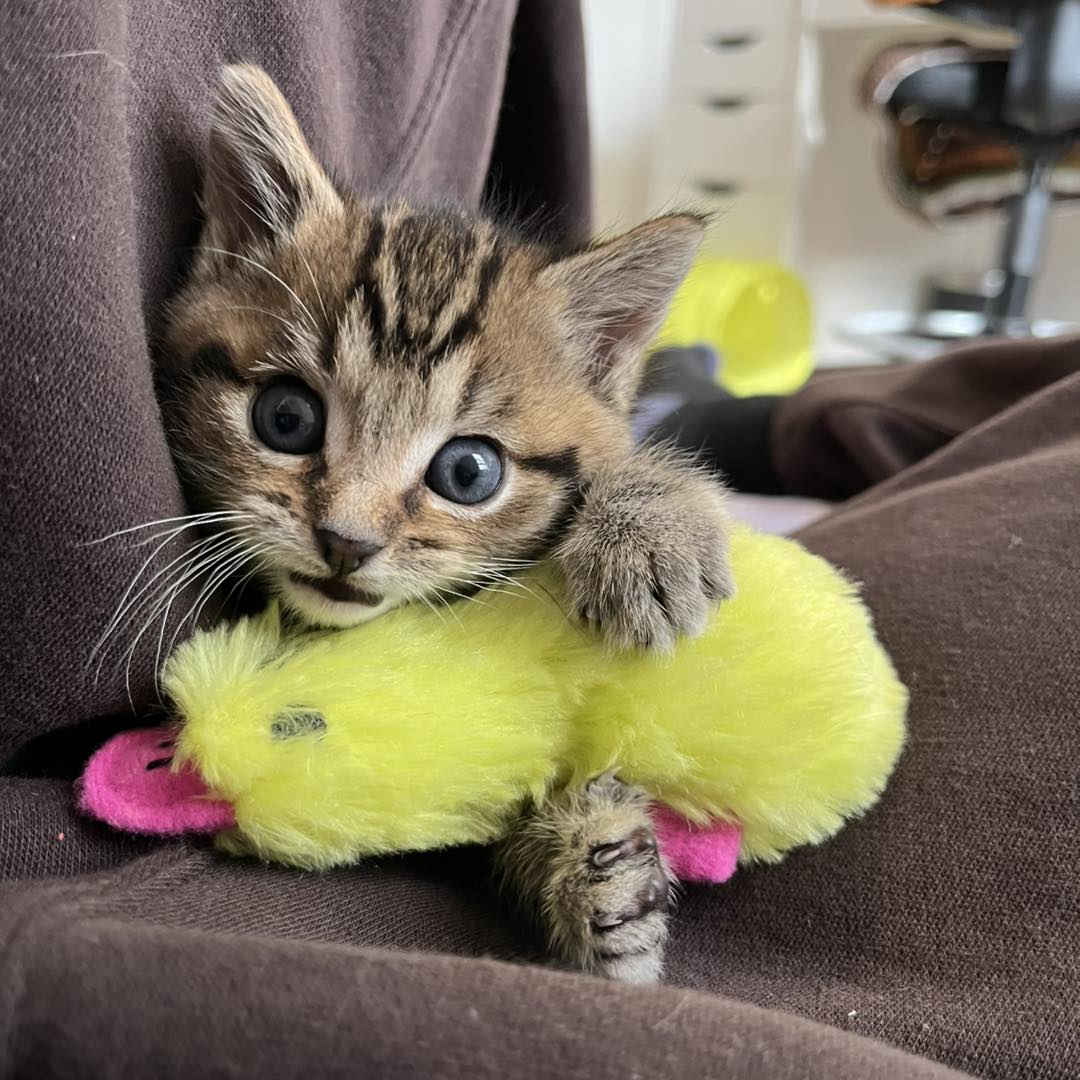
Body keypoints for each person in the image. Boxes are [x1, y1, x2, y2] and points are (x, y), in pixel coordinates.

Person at [1, 3, 1076, 1077]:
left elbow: (531, 690)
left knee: (707, 444)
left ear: (607, 351)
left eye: (459, 472)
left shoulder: (561, 454)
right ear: (233, 245)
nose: (349, 524)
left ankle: (725, 407)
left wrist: (632, 504)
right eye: (290, 419)